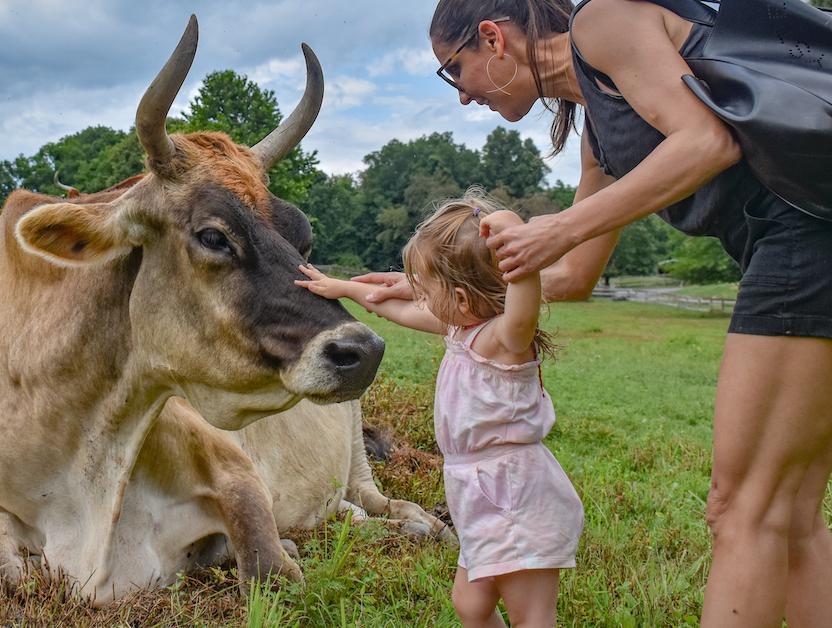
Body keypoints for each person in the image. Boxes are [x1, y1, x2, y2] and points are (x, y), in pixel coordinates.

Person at [354, 1, 832, 625]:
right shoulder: (598, 134)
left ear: (493, 40)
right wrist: (441, 289)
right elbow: (574, 276)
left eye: (455, 69)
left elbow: (706, 140)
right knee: (788, 514)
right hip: (802, 239)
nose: (463, 98)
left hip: (806, 235)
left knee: (741, 509)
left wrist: (560, 226)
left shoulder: (602, 20)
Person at [297, 191, 584, 628]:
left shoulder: (506, 340)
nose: (419, 296)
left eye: (427, 287)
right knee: (470, 606)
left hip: (516, 494)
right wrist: (344, 289)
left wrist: (514, 236)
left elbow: (523, 304)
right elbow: (394, 309)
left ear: (461, 297)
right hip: (476, 494)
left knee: (533, 617)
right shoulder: (459, 327)